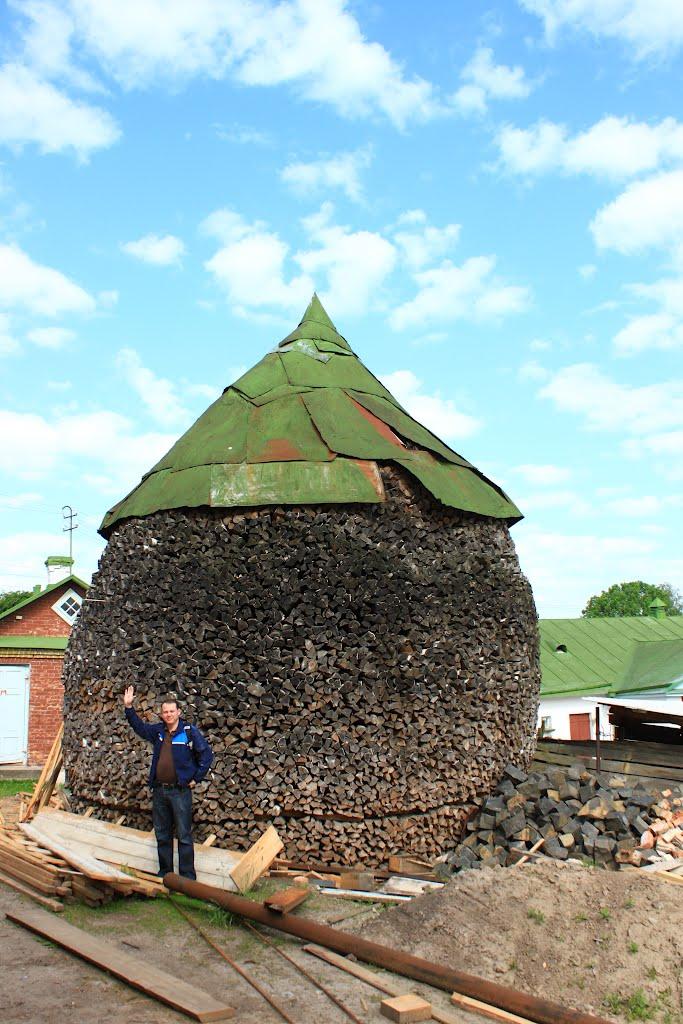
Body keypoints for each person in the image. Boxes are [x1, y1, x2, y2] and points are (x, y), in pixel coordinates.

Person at [123, 685, 213, 879]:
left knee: (184, 835)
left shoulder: (188, 732)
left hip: (180, 791)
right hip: (160, 791)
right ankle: (166, 874)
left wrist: (196, 778)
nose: (169, 715)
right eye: (165, 712)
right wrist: (129, 708)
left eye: (172, 711)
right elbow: (140, 728)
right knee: (162, 835)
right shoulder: (158, 732)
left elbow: (206, 755)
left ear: (178, 712)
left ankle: (187, 878)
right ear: (162, 714)